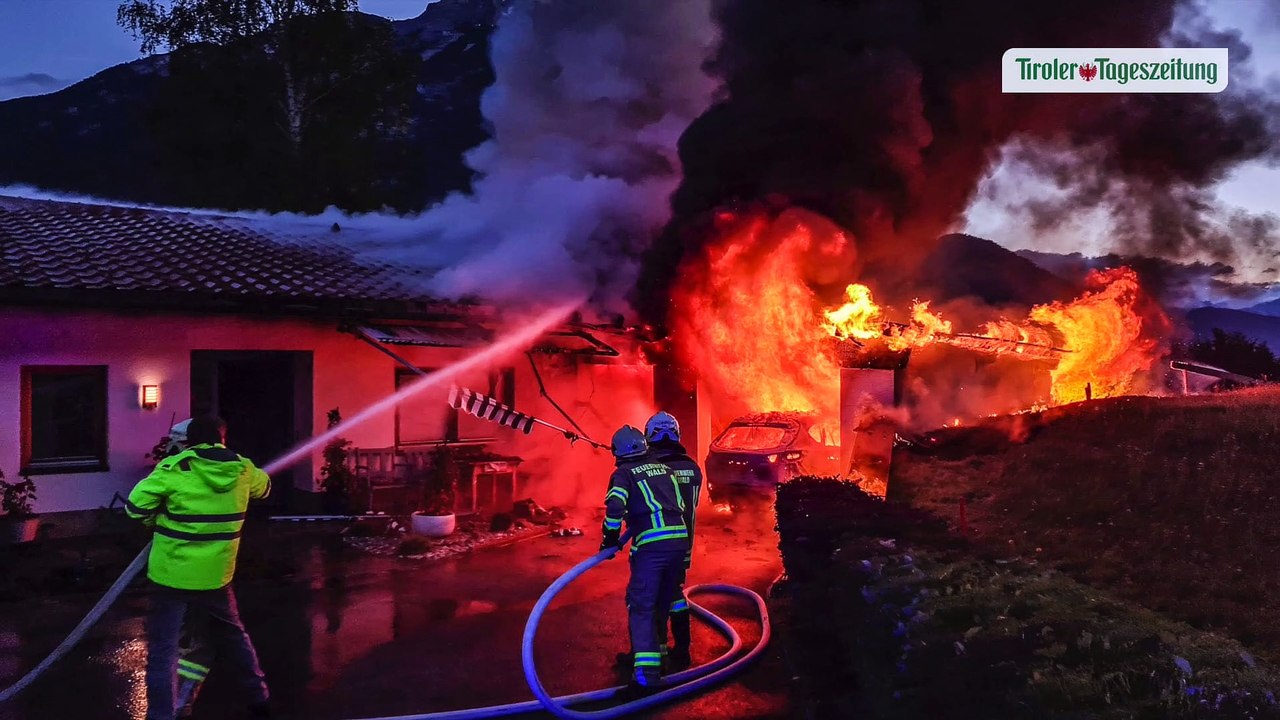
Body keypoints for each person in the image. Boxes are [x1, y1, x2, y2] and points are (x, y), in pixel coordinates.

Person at [125, 415, 273, 720]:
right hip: (216, 576)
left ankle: (161, 715)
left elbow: (135, 508)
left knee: (164, 651)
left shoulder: (175, 467)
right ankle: (259, 697)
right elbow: (265, 488)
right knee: (234, 634)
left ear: (188, 440)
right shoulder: (243, 468)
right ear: (222, 438)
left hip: (171, 576)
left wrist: (159, 519)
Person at [601, 425, 690, 690]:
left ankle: (646, 677)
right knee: (663, 600)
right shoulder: (664, 468)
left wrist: (609, 539)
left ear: (618, 452)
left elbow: (615, 506)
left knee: (641, 606)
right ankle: (660, 655)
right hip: (679, 542)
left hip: (654, 547)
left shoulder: (624, 473)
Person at [644, 411, 703, 670]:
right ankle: (682, 650)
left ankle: (653, 655)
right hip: (683, 546)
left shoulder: (651, 468)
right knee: (675, 594)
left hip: (654, 546)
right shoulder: (693, 468)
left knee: (651, 596)